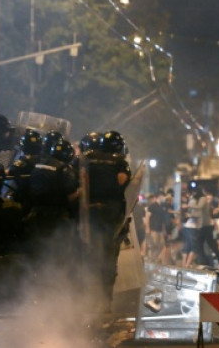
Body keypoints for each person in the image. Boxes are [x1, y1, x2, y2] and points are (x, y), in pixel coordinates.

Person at [80, 131, 131, 314]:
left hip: (88, 213)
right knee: (108, 260)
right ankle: (104, 303)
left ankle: (84, 300)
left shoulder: (87, 158)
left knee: (87, 257)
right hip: (111, 215)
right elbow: (122, 182)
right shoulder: (119, 162)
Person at [145, 191, 170, 264]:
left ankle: (154, 260)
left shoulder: (162, 206)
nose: (163, 198)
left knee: (161, 245)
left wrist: (164, 230)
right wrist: (148, 229)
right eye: (162, 196)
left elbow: (162, 219)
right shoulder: (152, 206)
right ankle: (151, 261)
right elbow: (147, 217)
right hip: (153, 229)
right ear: (159, 196)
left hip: (160, 229)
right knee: (153, 246)